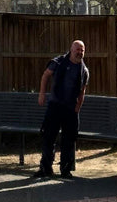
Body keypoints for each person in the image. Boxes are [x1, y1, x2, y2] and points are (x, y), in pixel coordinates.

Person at [38, 39, 89, 178]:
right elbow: (45, 75)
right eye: (77, 49)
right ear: (71, 50)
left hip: (70, 108)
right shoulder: (58, 62)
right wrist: (42, 94)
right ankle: (45, 168)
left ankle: (65, 170)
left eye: (82, 50)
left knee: (69, 140)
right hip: (55, 105)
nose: (79, 52)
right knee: (49, 136)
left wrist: (78, 107)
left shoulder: (84, 70)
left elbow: (82, 91)